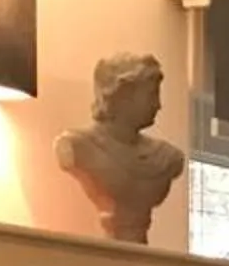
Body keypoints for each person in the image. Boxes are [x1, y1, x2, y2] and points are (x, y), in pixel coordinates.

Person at [55, 53, 186, 243]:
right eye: (151, 94)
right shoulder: (77, 146)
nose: (158, 105)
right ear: (123, 95)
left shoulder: (167, 157)